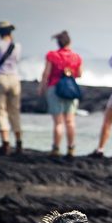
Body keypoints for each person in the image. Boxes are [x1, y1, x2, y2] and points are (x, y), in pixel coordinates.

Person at [38, 30, 83, 158]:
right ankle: (71, 148)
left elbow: (46, 73)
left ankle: (56, 148)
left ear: (58, 43)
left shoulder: (52, 55)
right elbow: (79, 74)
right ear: (70, 42)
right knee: (70, 121)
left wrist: (42, 87)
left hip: (54, 88)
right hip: (70, 90)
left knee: (58, 122)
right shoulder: (76, 57)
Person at [0, 21, 23, 155]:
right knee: (14, 110)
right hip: (14, 79)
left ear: (0, 33)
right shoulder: (17, 46)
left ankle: (5, 143)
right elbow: (17, 61)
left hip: (1, 77)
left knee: (0, 111)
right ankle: (19, 142)